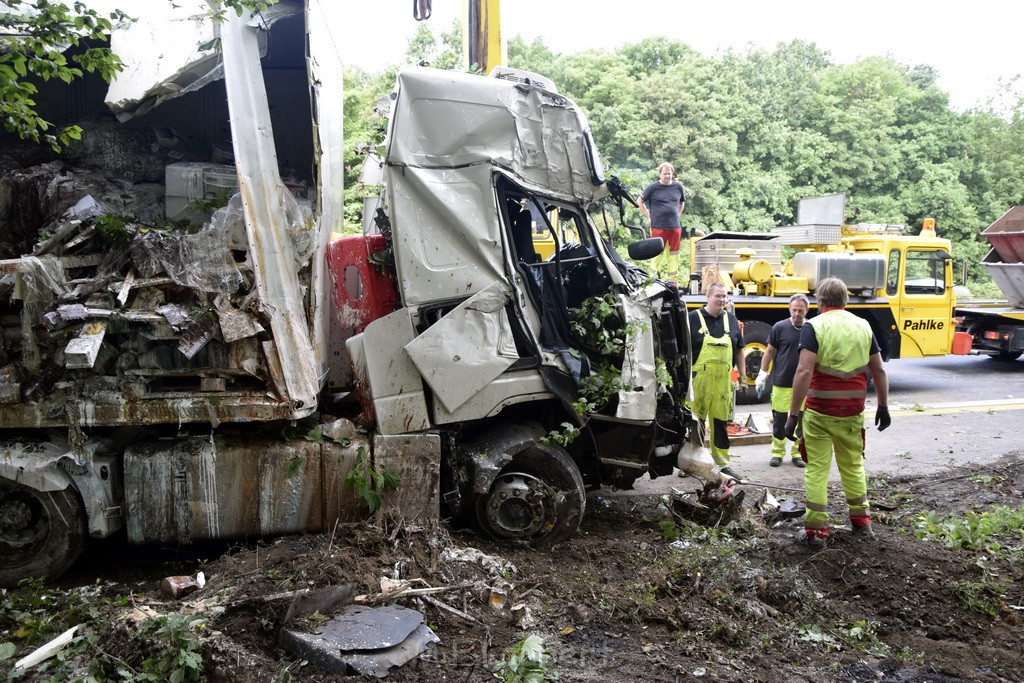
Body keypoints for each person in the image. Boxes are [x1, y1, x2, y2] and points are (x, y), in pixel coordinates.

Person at [785, 277, 891, 549]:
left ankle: (816, 532)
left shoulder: (813, 326)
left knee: (818, 469)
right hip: (853, 412)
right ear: (845, 300)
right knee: (853, 466)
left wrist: (793, 415)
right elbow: (878, 369)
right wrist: (883, 406)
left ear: (819, 302)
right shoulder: (864, 326)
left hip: (820, 412)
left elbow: (804, 371)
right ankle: (861, 522)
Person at [688, 281, 745, 480]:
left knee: (721, 424)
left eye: (724, 296)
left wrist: (743, 377)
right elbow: (682, 352)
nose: (721, 300)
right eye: (717, 296)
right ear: (708, 297)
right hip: (698, 382)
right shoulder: (693, 318)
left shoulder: (731, 319)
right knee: (695, 423)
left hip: (723, 384)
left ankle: (722, 464)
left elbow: (739, 350)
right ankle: (690, 463)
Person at [755, 293, 810, 468]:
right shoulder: (780, 327)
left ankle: (797, 453)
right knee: (779, 421)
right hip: (781, 383)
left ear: (807, 310)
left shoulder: (812, 329)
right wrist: (762, 375)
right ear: (789, 309)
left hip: (804, 386)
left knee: (801, 421)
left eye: (800, 310)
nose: (796, 313)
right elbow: (769, 352)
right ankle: (777, 453)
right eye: (793, 310)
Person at [637, 162, 686, 283]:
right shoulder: (653, 187)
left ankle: (672, 280)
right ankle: (654, 278)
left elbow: (682, 202)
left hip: (675, 227)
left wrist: (678, 214)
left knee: (674, 254)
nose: (667, 176)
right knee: (656, 253)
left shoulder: (678, 187)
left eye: (669, 174)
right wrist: (648, 216)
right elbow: (639, 201)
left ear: (672, 174)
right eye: (665, 174)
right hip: (658, 226)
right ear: (660, 174)